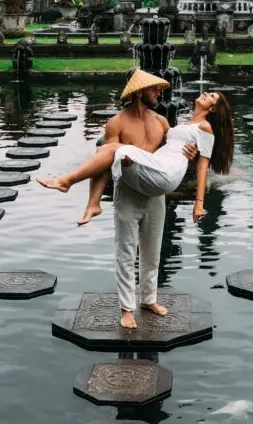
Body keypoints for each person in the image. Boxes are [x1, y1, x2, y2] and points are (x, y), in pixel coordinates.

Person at [38, 69, 235, 329]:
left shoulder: (163, 123)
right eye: (154, 89)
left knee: (152, 252)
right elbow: (103, 163)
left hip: (155, 190)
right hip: (129, 191)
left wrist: (191, 155)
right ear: (140, 91)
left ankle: (149, 299)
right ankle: (126, 307)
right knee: (126, 251)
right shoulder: (116, 123)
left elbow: (173, 156)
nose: (160, 93)